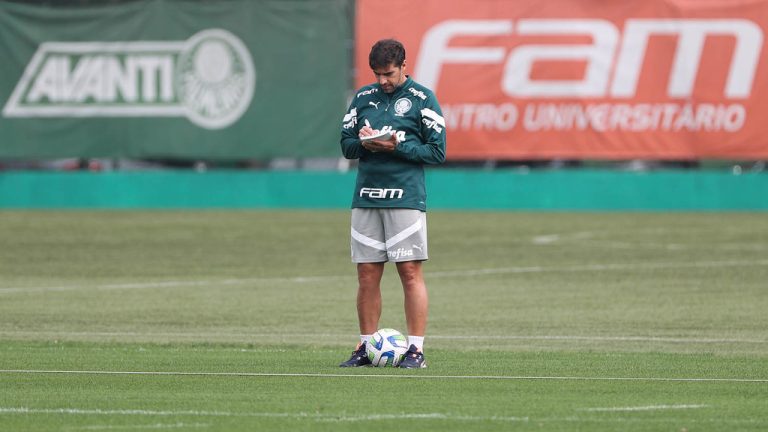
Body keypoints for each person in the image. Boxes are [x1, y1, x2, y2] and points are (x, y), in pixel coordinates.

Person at [338, 39, 447, 368]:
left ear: (403, 66)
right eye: (377, 74)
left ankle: (416, 350)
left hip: (405, 197)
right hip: (367, 196)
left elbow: (436, 151)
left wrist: (395, 147)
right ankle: (366, 346)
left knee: (410, 272)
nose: (382, 81)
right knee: (367, 275)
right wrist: (365, 142)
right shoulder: (363, 98)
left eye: (388, 74)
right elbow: (346, 146)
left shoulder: (422, 99)